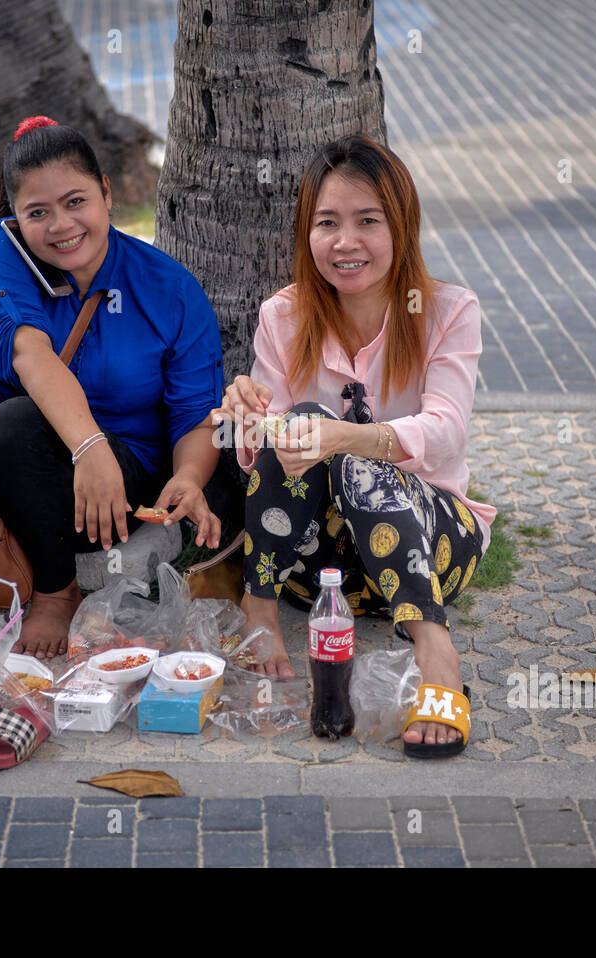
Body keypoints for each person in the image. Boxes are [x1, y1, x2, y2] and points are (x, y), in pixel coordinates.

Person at [0, 116, 226, 658]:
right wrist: (89, 445)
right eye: (38, 212)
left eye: (76, 201)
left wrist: (189, 478)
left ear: (106, 192)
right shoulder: (3, 252)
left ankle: (56, 595)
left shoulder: (169, 288)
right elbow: (30, 357)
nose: (61, 225)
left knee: (17, 423)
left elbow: (194, 414)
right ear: (16, 217)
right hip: (3, 467)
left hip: (100, 500)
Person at [214, 134, 496, 757]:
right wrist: (246, 416)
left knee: (349, 452)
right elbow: (271, 449)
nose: (346, 242)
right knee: (303, 423)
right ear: (305, 234)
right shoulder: (282, 316)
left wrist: (349, 439)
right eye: (327, 223)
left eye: (367, 221)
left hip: (429, 551)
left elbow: (446, 430)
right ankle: (259, 611)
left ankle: (436, 653)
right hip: (313, 573)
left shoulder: (448, 310)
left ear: (401, 225)